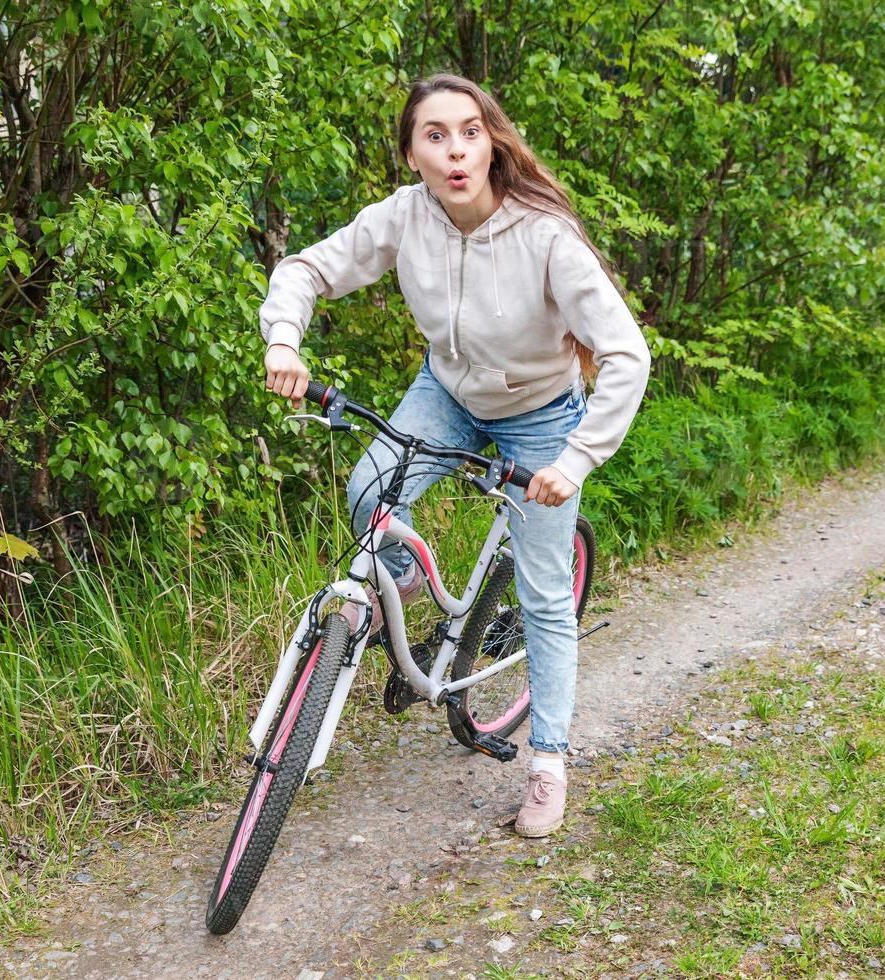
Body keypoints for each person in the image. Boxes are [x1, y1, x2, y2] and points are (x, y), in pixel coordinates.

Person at [261, 73, 650, 837]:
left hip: (541, 414)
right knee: (369, 488)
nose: (455, 150)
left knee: (541, 594)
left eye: (469, 131)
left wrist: (574, 461)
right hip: (446, 393)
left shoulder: (543, 233)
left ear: (491, 139)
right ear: (412, 155)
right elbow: (308, 269)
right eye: (434, 136)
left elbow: (627, 354)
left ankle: (547, 761)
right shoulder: (406, 217)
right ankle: (400, 584)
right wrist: (284, 338)